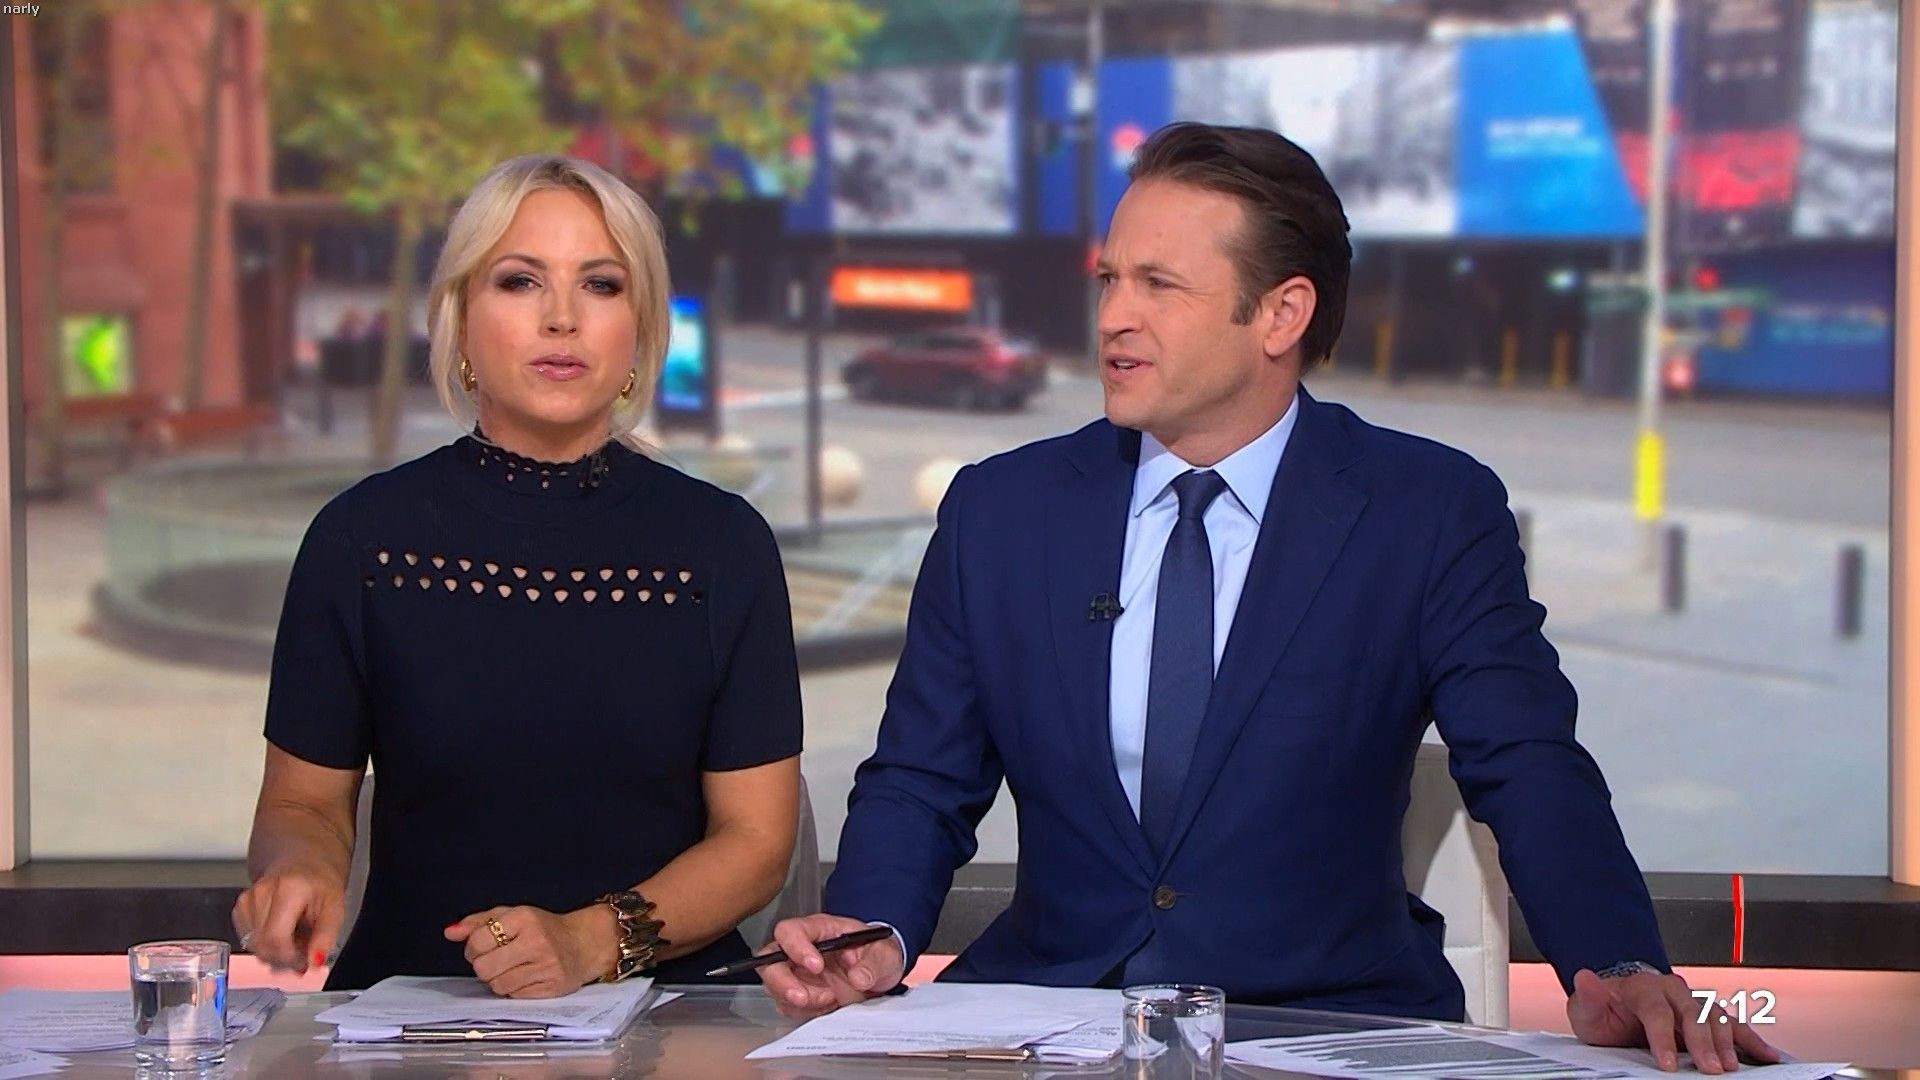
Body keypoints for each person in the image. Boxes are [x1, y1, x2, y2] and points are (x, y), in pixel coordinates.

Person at [759, 123, 1778, 1073]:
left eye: (1159, 285)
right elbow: (921, 780)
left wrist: (1616, 960)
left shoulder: (1426, 511)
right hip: (1052, 1017)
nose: (1113, 316)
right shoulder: (1002, 510)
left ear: (1281, 314)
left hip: (1325, 1023)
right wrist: (872, 933)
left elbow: (1527, 763)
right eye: (1111, 278)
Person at [233, 154, 803, 997]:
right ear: (460, 320)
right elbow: (302, 806)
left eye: (601, 285)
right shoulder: (360, 541)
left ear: (640, 330)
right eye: (520, 281)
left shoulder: (724, 545)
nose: (562, 318)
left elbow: (756, 843)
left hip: (666, 1016)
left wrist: (588, 942)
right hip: (411, 1014)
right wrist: (300, 870)